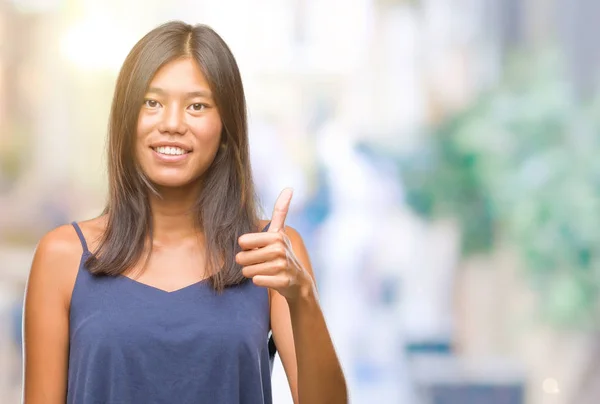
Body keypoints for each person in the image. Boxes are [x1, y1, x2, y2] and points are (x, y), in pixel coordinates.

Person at [22, 21, 347, 404]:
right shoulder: (62, 256)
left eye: (197, 106)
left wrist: (302, 296)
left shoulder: (271, 254)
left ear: (225, 129)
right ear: (126, 120)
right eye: (152, 102)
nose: (172, 124)